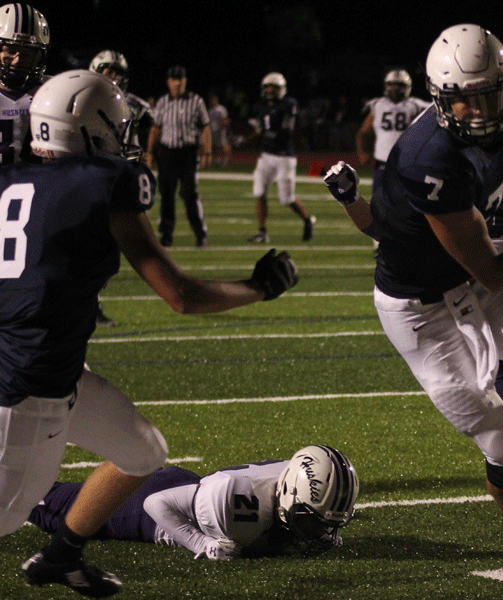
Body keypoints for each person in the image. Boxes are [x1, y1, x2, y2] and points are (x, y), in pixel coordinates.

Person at [327, 24, 503, 597]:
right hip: (421, 308)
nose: (478, 109)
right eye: (462, 97)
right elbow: (491, 268)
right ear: (439, 98)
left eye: (488, 93)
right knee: (500, 443)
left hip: (474, 279)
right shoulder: (428, 157)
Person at [1, 70, 299, 598]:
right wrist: (259, 287)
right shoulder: (102, 179)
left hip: (49, 365)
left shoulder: (13, 176)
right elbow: (179, 295)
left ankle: (62, 556)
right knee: (5, 517)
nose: (125, 136)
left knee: (144, 451)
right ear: (87, 129)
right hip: (30, 386)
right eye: (115, 125)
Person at [28, 445, 359, 560]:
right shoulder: (235, 499)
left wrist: (319, 529)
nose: (320, 531)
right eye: (313, 522)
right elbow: (156, 505)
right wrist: (201, 543)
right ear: (288, 497)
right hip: (145, 508)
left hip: (189, 487)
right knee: (39, 503)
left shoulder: (286, 483)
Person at [89, 49, 156, 328]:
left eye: (118, 73)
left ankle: (90, 305)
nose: (113, 77)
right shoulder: (81, 99)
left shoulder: (135, 106)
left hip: (115, 180)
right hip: (85, 178)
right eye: (108, 71)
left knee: (107, 251)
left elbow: (143, 134)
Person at [145, 65, 213, 248]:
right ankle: (166, 235)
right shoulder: (162, 102)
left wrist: (207, 150)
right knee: (166, 194)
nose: (177, 83)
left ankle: (200, 233)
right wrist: (149, 152)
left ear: (185, 81)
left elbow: (205, 126)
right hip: (167, 153)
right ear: (168, 82)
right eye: (174, 79)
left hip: (188, 153)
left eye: (180, 79)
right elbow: (156, 128)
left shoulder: (196, 100)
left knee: (189, 193)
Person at [246, 72, 315, 243]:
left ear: (281, 89)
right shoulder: (261, 107)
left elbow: (286, 131)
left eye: (273, 87)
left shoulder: (288, 104)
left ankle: (307, 220)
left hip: (285, 157)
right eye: (267, 86)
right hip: (266, 156)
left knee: (286, 199)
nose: (269, 90)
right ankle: (262, 232)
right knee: (260, 192)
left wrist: (265, 134)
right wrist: (246, 140)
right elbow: (260, 130)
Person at [355, 69, 431, 194]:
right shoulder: (378, 105)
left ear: (407, 87)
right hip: (383, 162)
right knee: (379, 202)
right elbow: (362, 133)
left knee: (410, 202)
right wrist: (362, 153)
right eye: (391, 84)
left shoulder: (417, 106)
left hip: (409, 163)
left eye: (399, 85)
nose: (395, 88)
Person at [0, 2, 49, 166]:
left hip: (39, 188)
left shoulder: (52, 93)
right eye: (11, 51)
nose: (17, 60)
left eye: (27, 54)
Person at [206, 92, 232, 166]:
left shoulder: (221, 109)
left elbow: (224, 119)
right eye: (211, 100)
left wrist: (222, 129)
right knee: (216, 145)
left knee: (224, 144)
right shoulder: (210, 110)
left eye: (214, 100)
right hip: (213, 130)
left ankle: (227, 158)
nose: (212, 101)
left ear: (217, 100)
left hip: (220, 130)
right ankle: (217, 159)